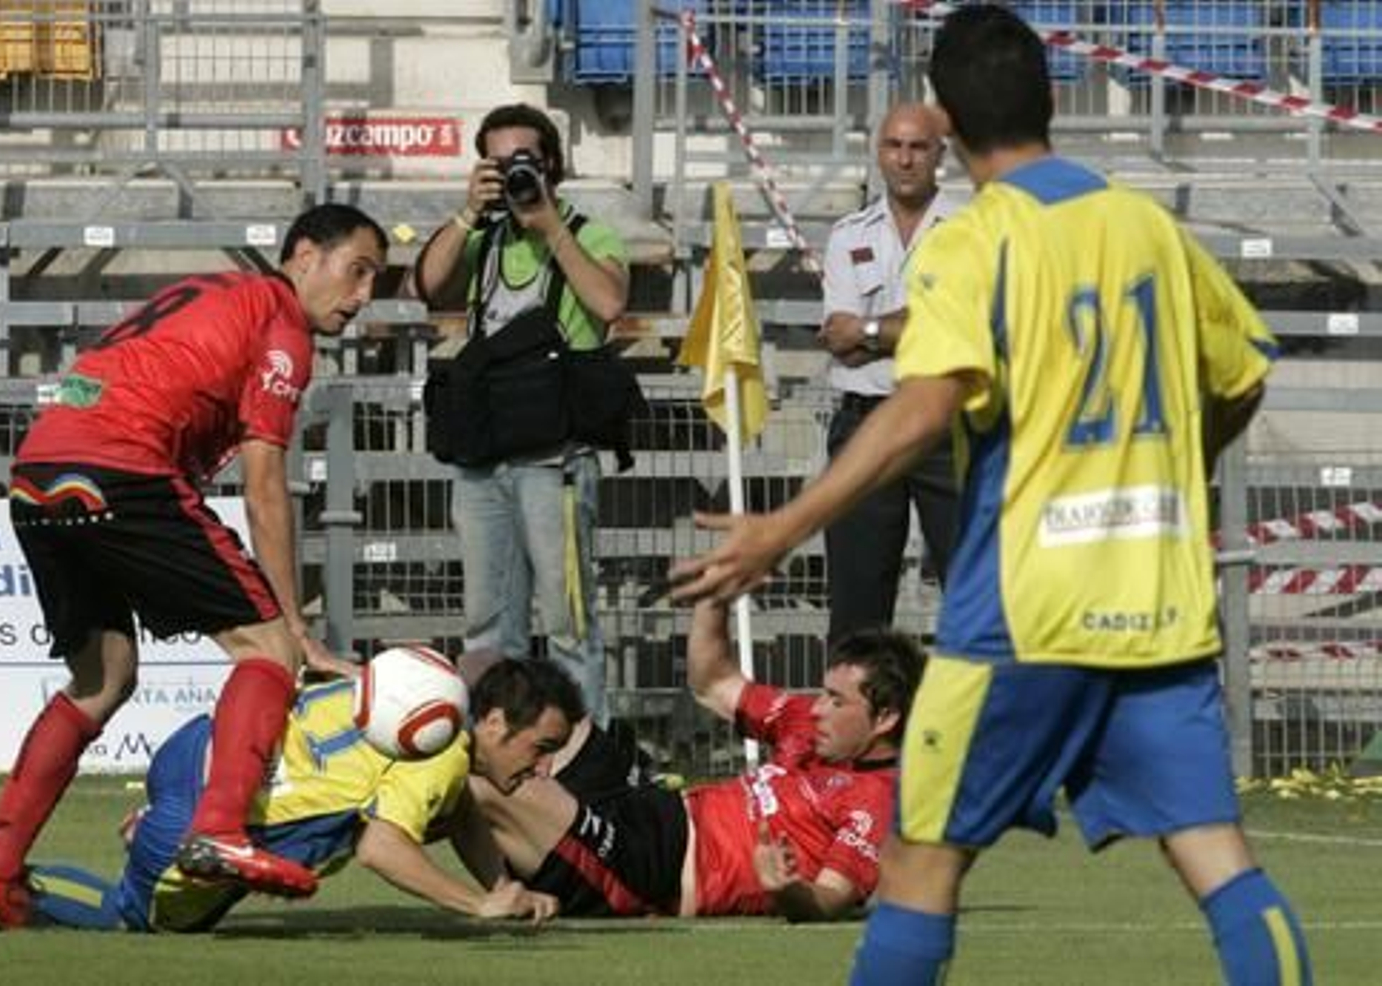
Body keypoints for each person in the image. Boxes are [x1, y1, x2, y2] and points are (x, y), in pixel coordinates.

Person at [670, 8, 1311, 985]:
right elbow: (1240, 378)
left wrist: (782, 526)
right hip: (1157, 606)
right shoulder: (1145, 226)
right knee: (1219, 859)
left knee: (924, 864)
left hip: (1021, 611)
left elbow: (924, 402)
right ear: (1051, 99)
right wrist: (1166, 474)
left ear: (950, 125)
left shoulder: (976, 244)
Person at [0, 204, 388, 928]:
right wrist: (295, 626)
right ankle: (218, 829)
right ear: (304, 255)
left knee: (102, 678)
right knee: (268, 650)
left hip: (38, 473)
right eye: (358, 271)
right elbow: (264, 485)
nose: (365, 296)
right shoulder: (281, 324)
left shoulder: (213, 290)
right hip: (122, 468)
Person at [0, 658, 585, 932]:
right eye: (540, 748)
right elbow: (383, 847)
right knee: (133, 921)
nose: (543, 770)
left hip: (200, 749)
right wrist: (478, 907)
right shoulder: (434, 756)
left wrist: (504, 887)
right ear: (492, 722)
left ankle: (157, 827)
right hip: (206, 826)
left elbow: (460, 814)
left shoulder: (414, 695)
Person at [457, 601, 923, 921]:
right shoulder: (806, 722)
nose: (817, 707)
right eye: (823, 692)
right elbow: (711, 682)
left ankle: (396, 797)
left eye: (837, 701)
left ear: (885, 718)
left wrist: (787, 890)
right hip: (646, 807)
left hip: (653, 867)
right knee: (551, 719)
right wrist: (712, 595)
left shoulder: (878, 803)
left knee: (475, 783)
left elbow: (830, 899)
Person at [413, 103, 630, 725]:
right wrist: (466, 211)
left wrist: (548, 226)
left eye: (524, 163)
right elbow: (427, 285)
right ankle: (496, 752)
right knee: (485, 623)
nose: (513, 175)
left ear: (553, 164)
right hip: (485, 459)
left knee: (568, 622)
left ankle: (585, 759)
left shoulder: (588, 232)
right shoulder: (482, 239)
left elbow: (609, 301)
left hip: (555, 461)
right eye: (499, 164)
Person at [819, 103, 962, 640]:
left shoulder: (969, 230)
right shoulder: (847, 234)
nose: (905, 159)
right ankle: (862, 721)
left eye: (918, 147)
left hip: (947, 425)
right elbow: (840, 341)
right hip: (865, 422)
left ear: (939, 155)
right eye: (894, 146)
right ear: (878, 151)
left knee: (974, 595)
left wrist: (871, 330)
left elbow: (960, 330)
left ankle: (989, 722)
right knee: (857, 606)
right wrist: (915, 326)